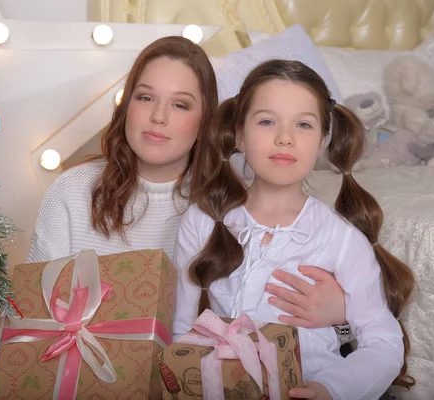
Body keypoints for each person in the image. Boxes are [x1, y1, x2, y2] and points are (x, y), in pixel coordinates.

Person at [0, 37, 348, 399]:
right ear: (126, 105)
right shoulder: (73, 189)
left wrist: (342, 315)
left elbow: (270, 322)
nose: (159, 117)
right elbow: (26, 315)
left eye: (181, 104)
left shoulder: (231, 208)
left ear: (205, 121)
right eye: (145, 97)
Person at [173, 59, 416, 399]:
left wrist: (330, 388)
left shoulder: (340, 238)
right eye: (267, 121)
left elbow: (384, 342)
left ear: (322, 142)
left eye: (303, 125)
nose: (285, 138)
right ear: (239, 134)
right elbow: (180, 330)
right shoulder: (203, 220)